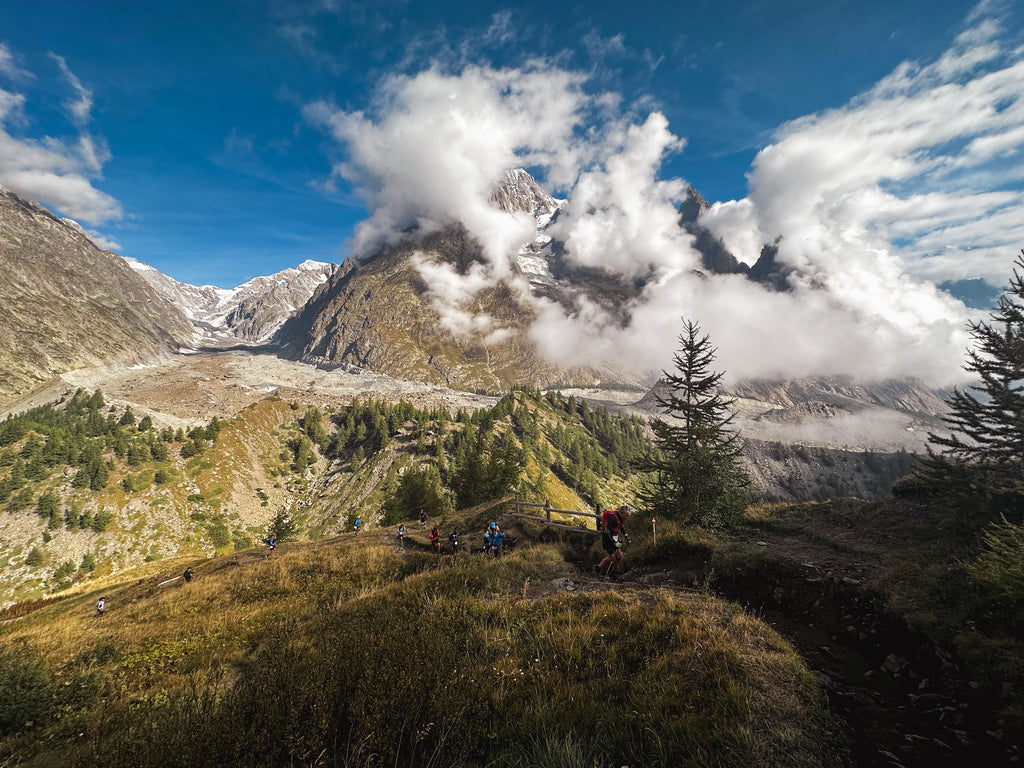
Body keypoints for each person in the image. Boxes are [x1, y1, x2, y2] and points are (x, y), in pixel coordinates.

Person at [595, 505, 632, 581]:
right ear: (622, 513)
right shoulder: (613, 518)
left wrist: (626, 536)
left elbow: (620, 526)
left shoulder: (621, 518)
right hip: (608, 538)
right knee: (611, 557)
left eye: (628, 516)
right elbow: (607, 532)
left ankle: (613, 572)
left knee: (619, 555)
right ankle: (598, 568)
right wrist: (614, 542)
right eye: (626, 516)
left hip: (614, 537)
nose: (627, 518)